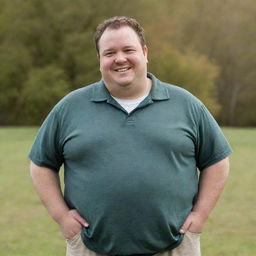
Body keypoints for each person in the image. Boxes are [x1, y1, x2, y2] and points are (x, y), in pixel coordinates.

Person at [29, 16, 232, 256]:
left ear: (145, 52)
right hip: (91, 247)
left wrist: (199, 216)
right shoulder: (70, 108)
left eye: (128, 50)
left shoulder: (186, 105)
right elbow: (41, 165)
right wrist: (63, 218)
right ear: (100, 59)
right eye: (110, 53)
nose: (120, 59)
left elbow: (217, 161)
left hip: (176, 247)